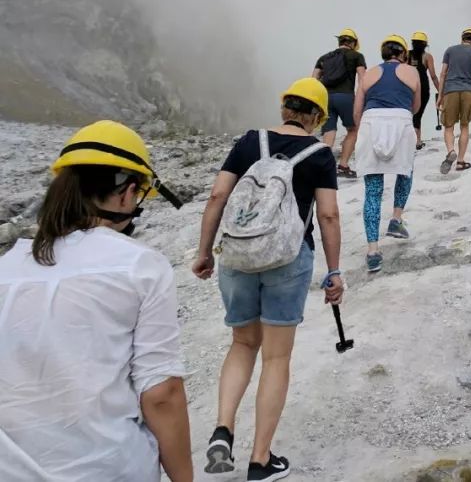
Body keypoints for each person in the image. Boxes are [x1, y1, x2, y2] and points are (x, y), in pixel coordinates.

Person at [0, 121, 193, 482]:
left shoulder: (7, 266)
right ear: (127, 193)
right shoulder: (140, 265)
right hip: (106, 467)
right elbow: (161, 393)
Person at [192, 77, 343, 481]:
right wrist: (334, 270)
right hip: (288, 260)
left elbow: (217, 197)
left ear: (285, 109)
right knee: (275, 358)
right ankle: (260, 461)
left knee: (242, 344)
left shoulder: (248, 142)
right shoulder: (320, 154)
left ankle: (223, 429)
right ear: (315, 116)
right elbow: (327, 215)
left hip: (239, 257)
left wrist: (204, 251)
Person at [354, 35, 420, 274]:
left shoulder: (369, 73)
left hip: (372, 122)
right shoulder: (411, 72)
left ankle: (372, 252)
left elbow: (357, 109)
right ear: (402, 53)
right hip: (401, 121)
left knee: (372, 190)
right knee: (406, 170)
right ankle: (396, 218)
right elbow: (416, 106)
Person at [312, 28, 367, 179]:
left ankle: (324, 167)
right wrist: (363, 98)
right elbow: (363, 78)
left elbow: (313, 78)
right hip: (346, 97)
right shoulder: (357, 56)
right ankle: (343, 165)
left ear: (340, 41)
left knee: (329, 131)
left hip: (325, 98)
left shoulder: (324, 57)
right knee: (353, 130)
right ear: (354, 43)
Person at [437, 27, 471, 173]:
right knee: (464, 126)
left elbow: (443, 74)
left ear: (462, 38)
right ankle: (460, 161)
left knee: (448, 126)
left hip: (450, 90)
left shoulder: (450, 50)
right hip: (468, 91)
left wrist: (440, 96)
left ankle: (451, 151)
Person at [408, 31, 440, 150]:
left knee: (406, 114)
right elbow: (433, 76)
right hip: (423, 88)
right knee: (418, 114)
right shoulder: (427, 57)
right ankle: (417, 141)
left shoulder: (406, 55)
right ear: (425, 44)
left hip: (408, 87)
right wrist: (441, 91)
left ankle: (407, 140)